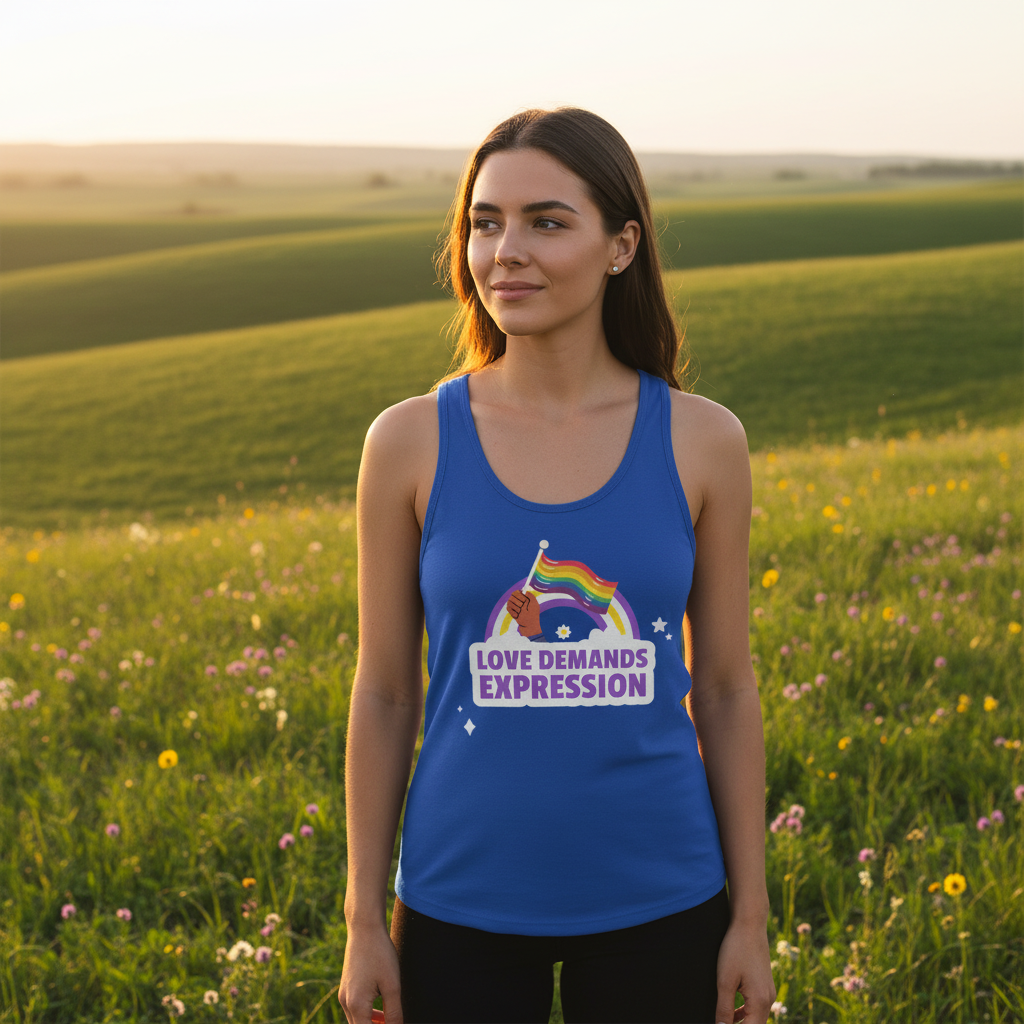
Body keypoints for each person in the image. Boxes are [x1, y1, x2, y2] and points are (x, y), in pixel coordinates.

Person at [338, 107, 775, 1024]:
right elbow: (384, 693)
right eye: (484, 222)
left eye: (546, 221)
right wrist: (363, 919)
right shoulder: (408, 441)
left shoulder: (705, 441)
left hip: (665, 895)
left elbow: (728, 688)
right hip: (460, 898)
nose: (506, 251)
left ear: (621, 246)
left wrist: (750, 915)